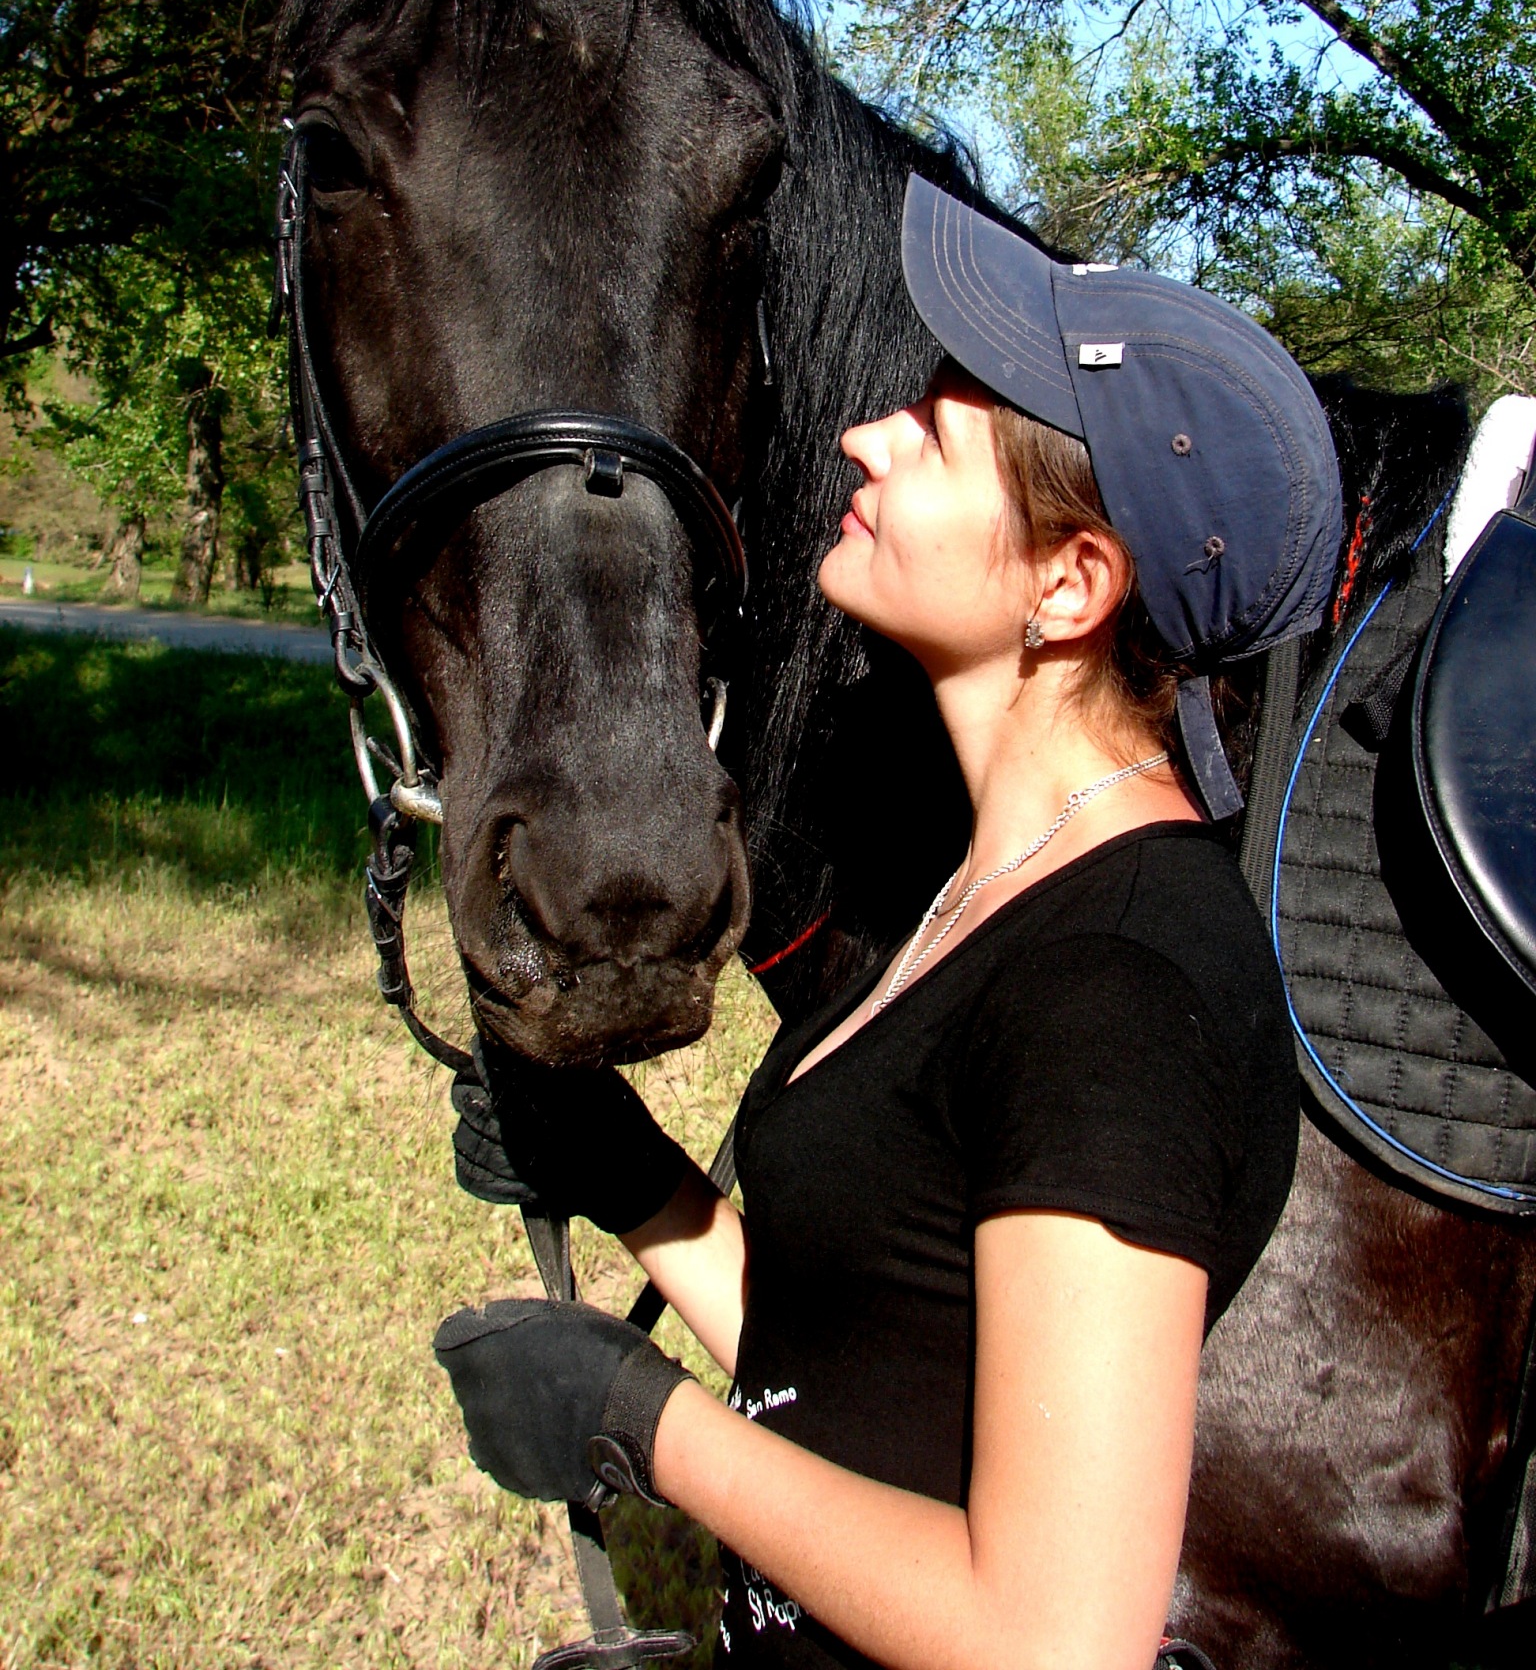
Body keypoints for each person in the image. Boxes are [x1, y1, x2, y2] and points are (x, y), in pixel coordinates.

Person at [434, 176, 1343, 1670]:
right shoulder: (996, 889)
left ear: (1070, 583)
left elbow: (1053, 1640)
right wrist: (625, 1175)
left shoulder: (1115, 980)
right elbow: (860, 1377)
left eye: (933, 428)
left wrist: (640, 1422)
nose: (865, 437)